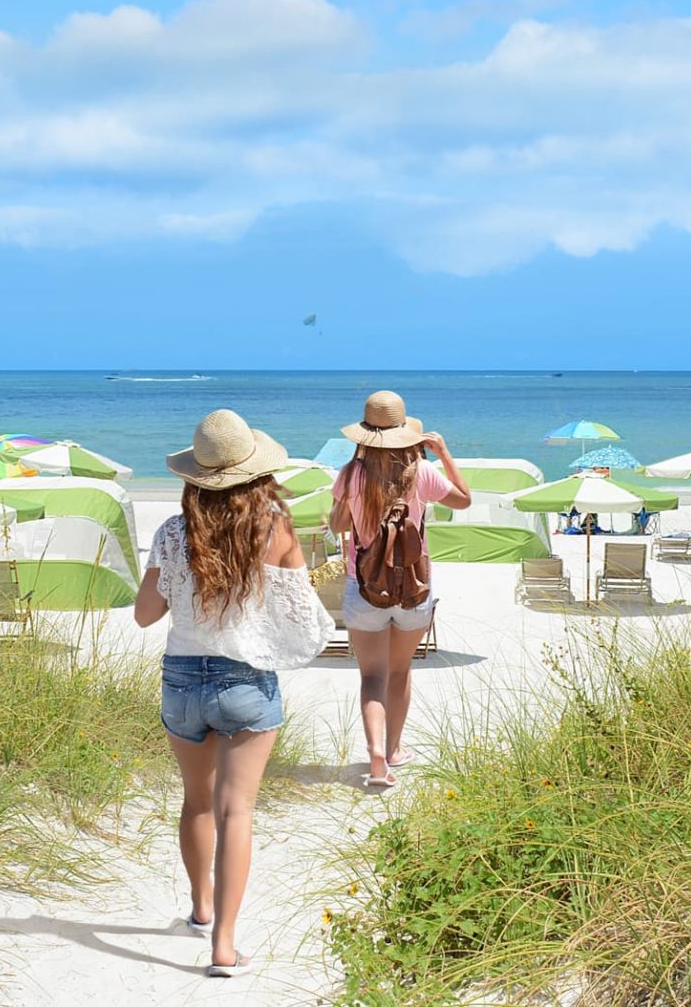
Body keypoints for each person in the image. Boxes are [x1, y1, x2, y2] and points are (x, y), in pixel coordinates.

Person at [136, 409, 325, 978]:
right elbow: (302, 619)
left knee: (197, 802)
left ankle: (198, 909)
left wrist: (175, 581)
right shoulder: (275, 529)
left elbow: (146, 615)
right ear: (255, 474)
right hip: (245, 681)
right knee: (236, 811)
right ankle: (223, 945)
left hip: (183, 679)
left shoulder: (173, 533)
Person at [328, 390, 471, 789]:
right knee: (400, 670)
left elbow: (338, 525)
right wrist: (442, 453)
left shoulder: (350, 475)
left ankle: (375, 753)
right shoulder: (421, 472)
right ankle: (394, 749)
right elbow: (464, 500)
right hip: (414, 589)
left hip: (364, 589)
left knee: (372, 676)